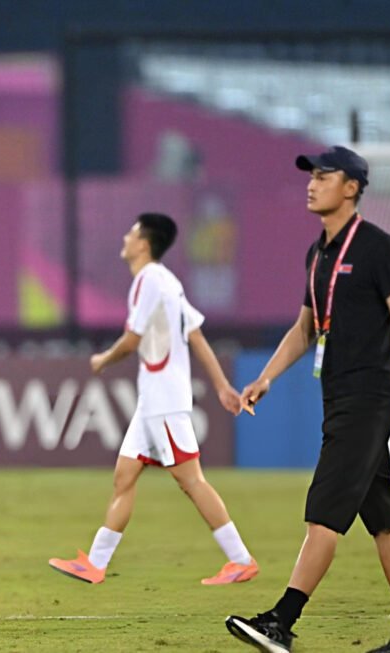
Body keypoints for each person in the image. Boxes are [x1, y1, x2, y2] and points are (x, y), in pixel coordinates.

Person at [226, 146, 390, 653]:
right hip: (339, 394)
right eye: (311, 175)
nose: (312, 182)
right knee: (386, 519)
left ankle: (281, 621)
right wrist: (266, 377)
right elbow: (306, 330)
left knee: (324, 510)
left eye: (324, 175)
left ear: (351, 187)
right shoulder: (318, 253)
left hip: (369, 396)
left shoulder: (379, 248)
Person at [48, 213, 257, 586]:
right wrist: (222, 384)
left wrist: (102, 359)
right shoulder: (168, 282)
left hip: (164, 399)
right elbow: (195, 334)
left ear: (143, 243)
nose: (125, 237)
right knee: (123, 477)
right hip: (152, 401)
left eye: (131, 232)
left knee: (191, 480)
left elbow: (131, 340)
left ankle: (240, 559)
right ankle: (95, 563)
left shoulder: (148, 281)